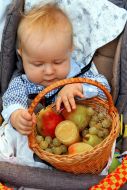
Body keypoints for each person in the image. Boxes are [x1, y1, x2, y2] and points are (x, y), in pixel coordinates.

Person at [0, 3, 110, 166]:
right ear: (22, 56)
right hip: (40, 145)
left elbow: (104, 88)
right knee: (11, 134)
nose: (49, 71)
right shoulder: (24, 83)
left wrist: (79, 87)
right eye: (38, 64)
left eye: (58, 62)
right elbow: (11, 99)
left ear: (70, 51)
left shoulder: (79, 75)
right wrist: (16, 115)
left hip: (79, 148)